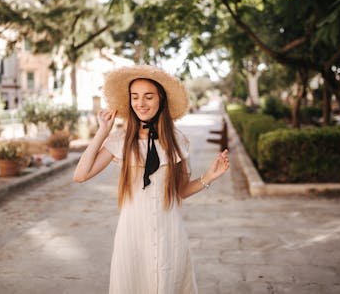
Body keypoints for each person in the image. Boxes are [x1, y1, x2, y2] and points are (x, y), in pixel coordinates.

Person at [73, 65, 229, 294]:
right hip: (132, 234)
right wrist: (102, 132)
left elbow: (182, 190)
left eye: (148, 96)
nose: (141, 103)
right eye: (135, 97)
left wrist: (209, 177)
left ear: (161, 100)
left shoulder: (177, 140)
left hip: (170, 232)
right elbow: (80, 175)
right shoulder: (121, 140)